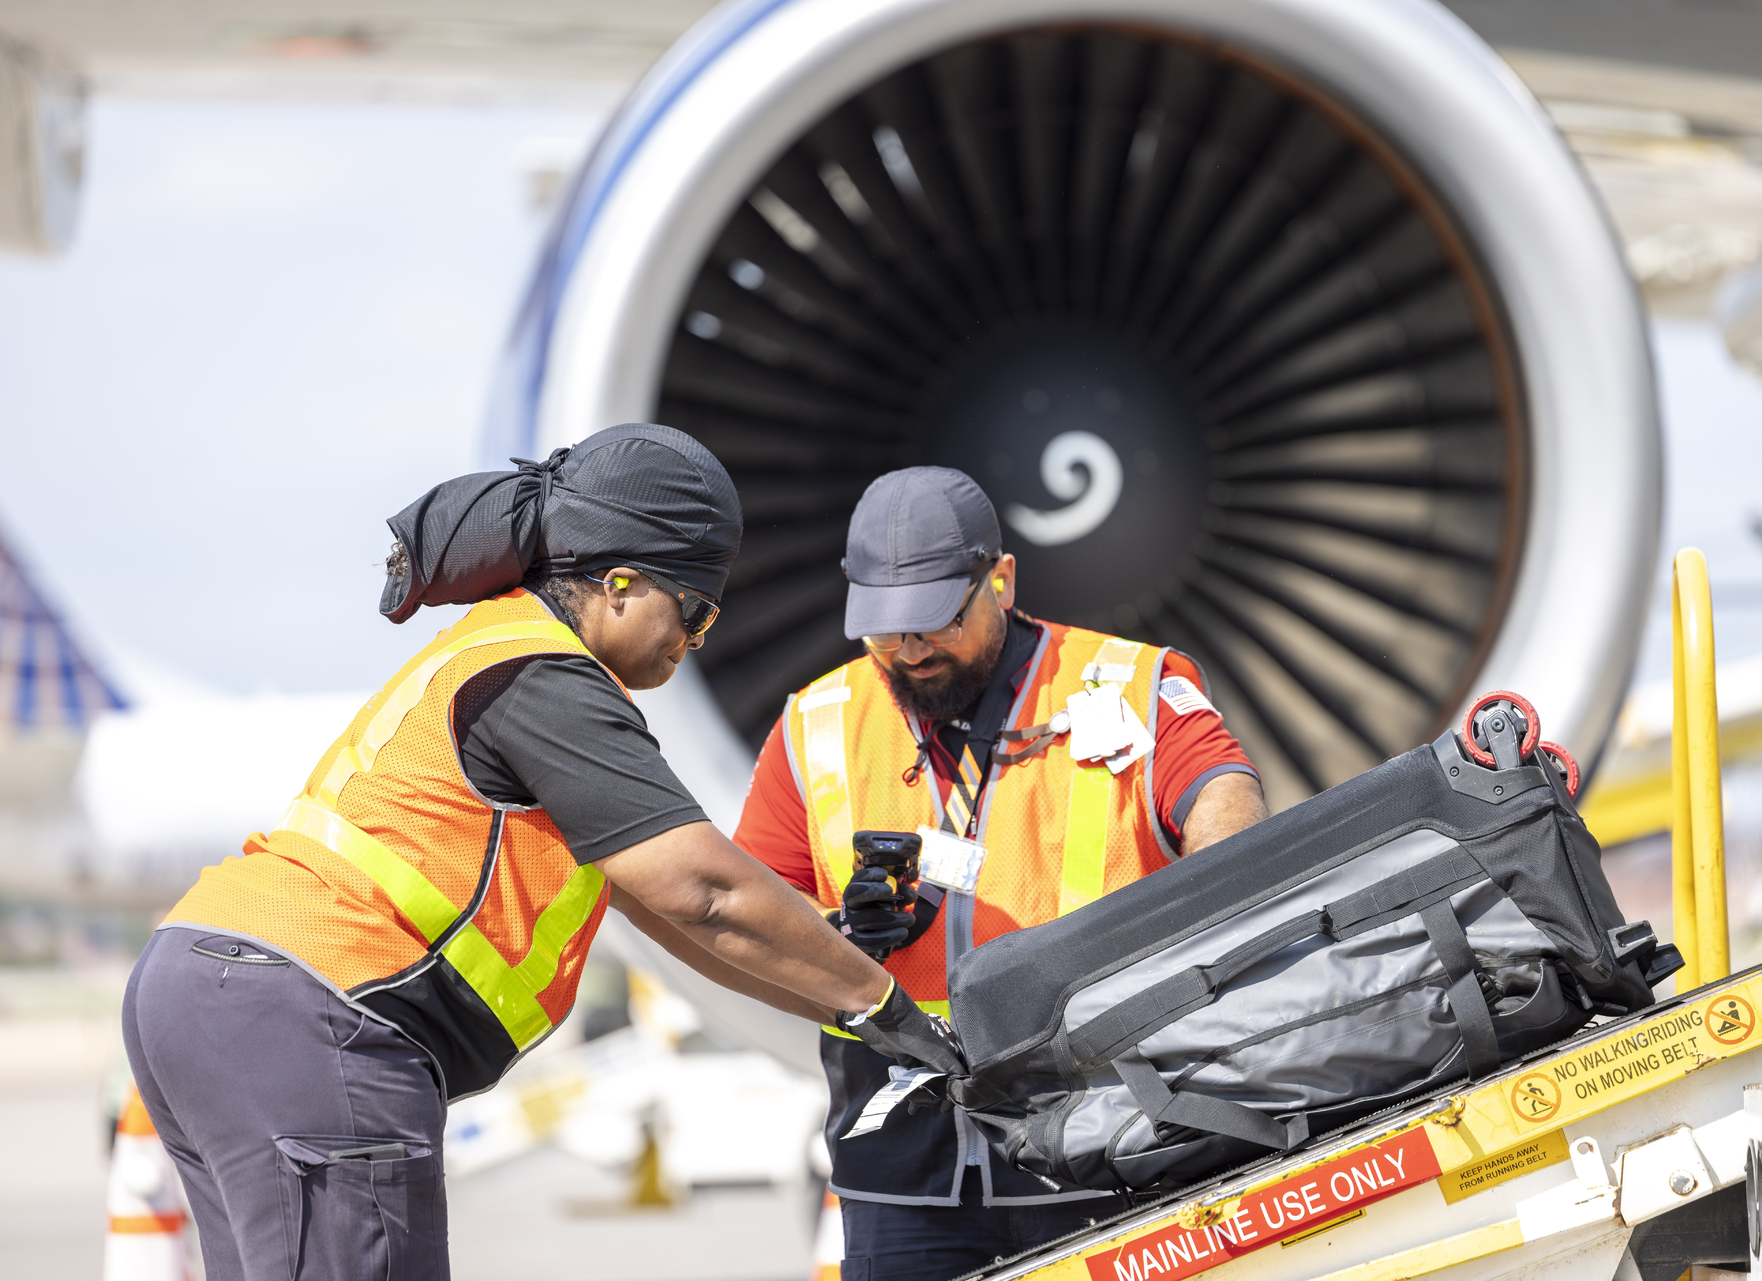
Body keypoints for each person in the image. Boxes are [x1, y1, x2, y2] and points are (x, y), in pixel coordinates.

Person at [121, 425, 949, 1281]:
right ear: (621, 584)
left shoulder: (497, 651)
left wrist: (836, 975)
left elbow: (687, 922)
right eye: (695, 612)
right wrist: (886, 1006)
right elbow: (705, 889)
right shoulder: (544, 677)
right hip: (313, 1013)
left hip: (214, 992)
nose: (694, 641)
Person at [733, 467, 1270, 1281]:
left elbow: (1226, 801)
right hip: (902, 1168)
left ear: (1002, 580)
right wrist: (839, 938)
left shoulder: (1127, 682)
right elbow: (752, 914)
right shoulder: (815, 723)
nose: (910, 651)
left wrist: (1207, 950)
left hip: (1102, 1139)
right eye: (884, 630)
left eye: (936, 622)